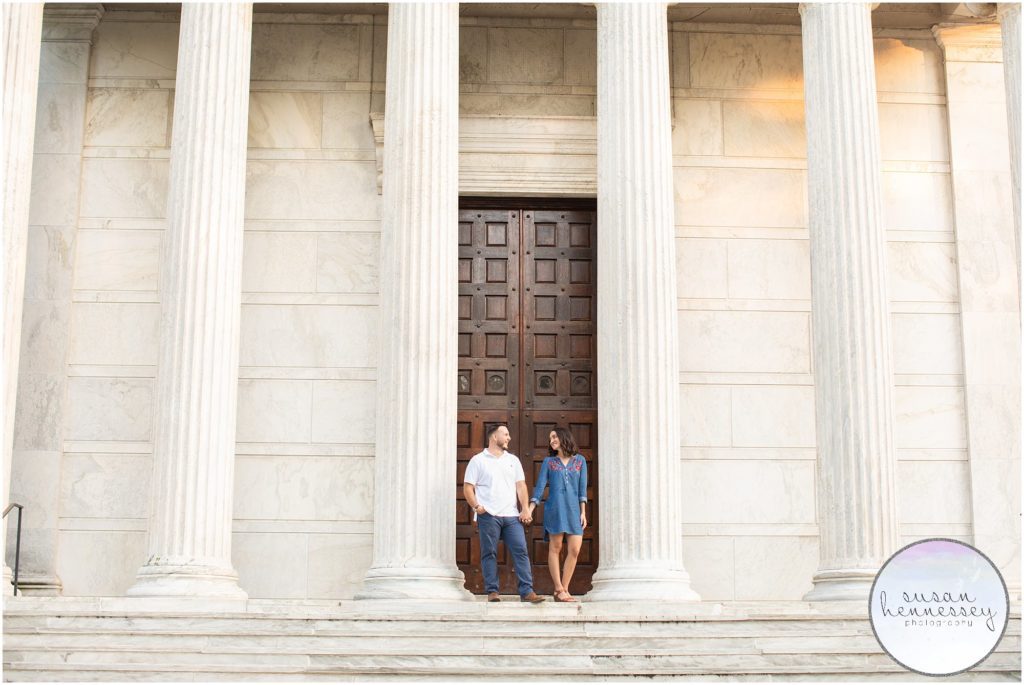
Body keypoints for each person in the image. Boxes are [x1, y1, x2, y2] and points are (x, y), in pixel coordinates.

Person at [463, 424, 545, 603]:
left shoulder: (513, 460)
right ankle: (492, 591)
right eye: (505, 434)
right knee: (489, 553)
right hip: (488, 515)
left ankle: (527, 592)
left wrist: (524, 508)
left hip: (511, 515)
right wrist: (476, 507)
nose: (509, 438)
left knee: (521, 551)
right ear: (494, 437)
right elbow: (468, 487)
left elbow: (520, 485)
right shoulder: (478, 460)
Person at [527, 426, 588, 602]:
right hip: (555, 509)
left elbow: (582, 489)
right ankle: (559, 589)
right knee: (556, 548)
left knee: (575, 549)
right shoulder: (549, 462)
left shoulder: (580, 461)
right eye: (550, 438)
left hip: (574, 510)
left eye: (554, 437)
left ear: (563, 437)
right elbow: (539, 488)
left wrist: (583, 512)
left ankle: (565, 587)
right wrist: (530, 509)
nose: (552, 440)